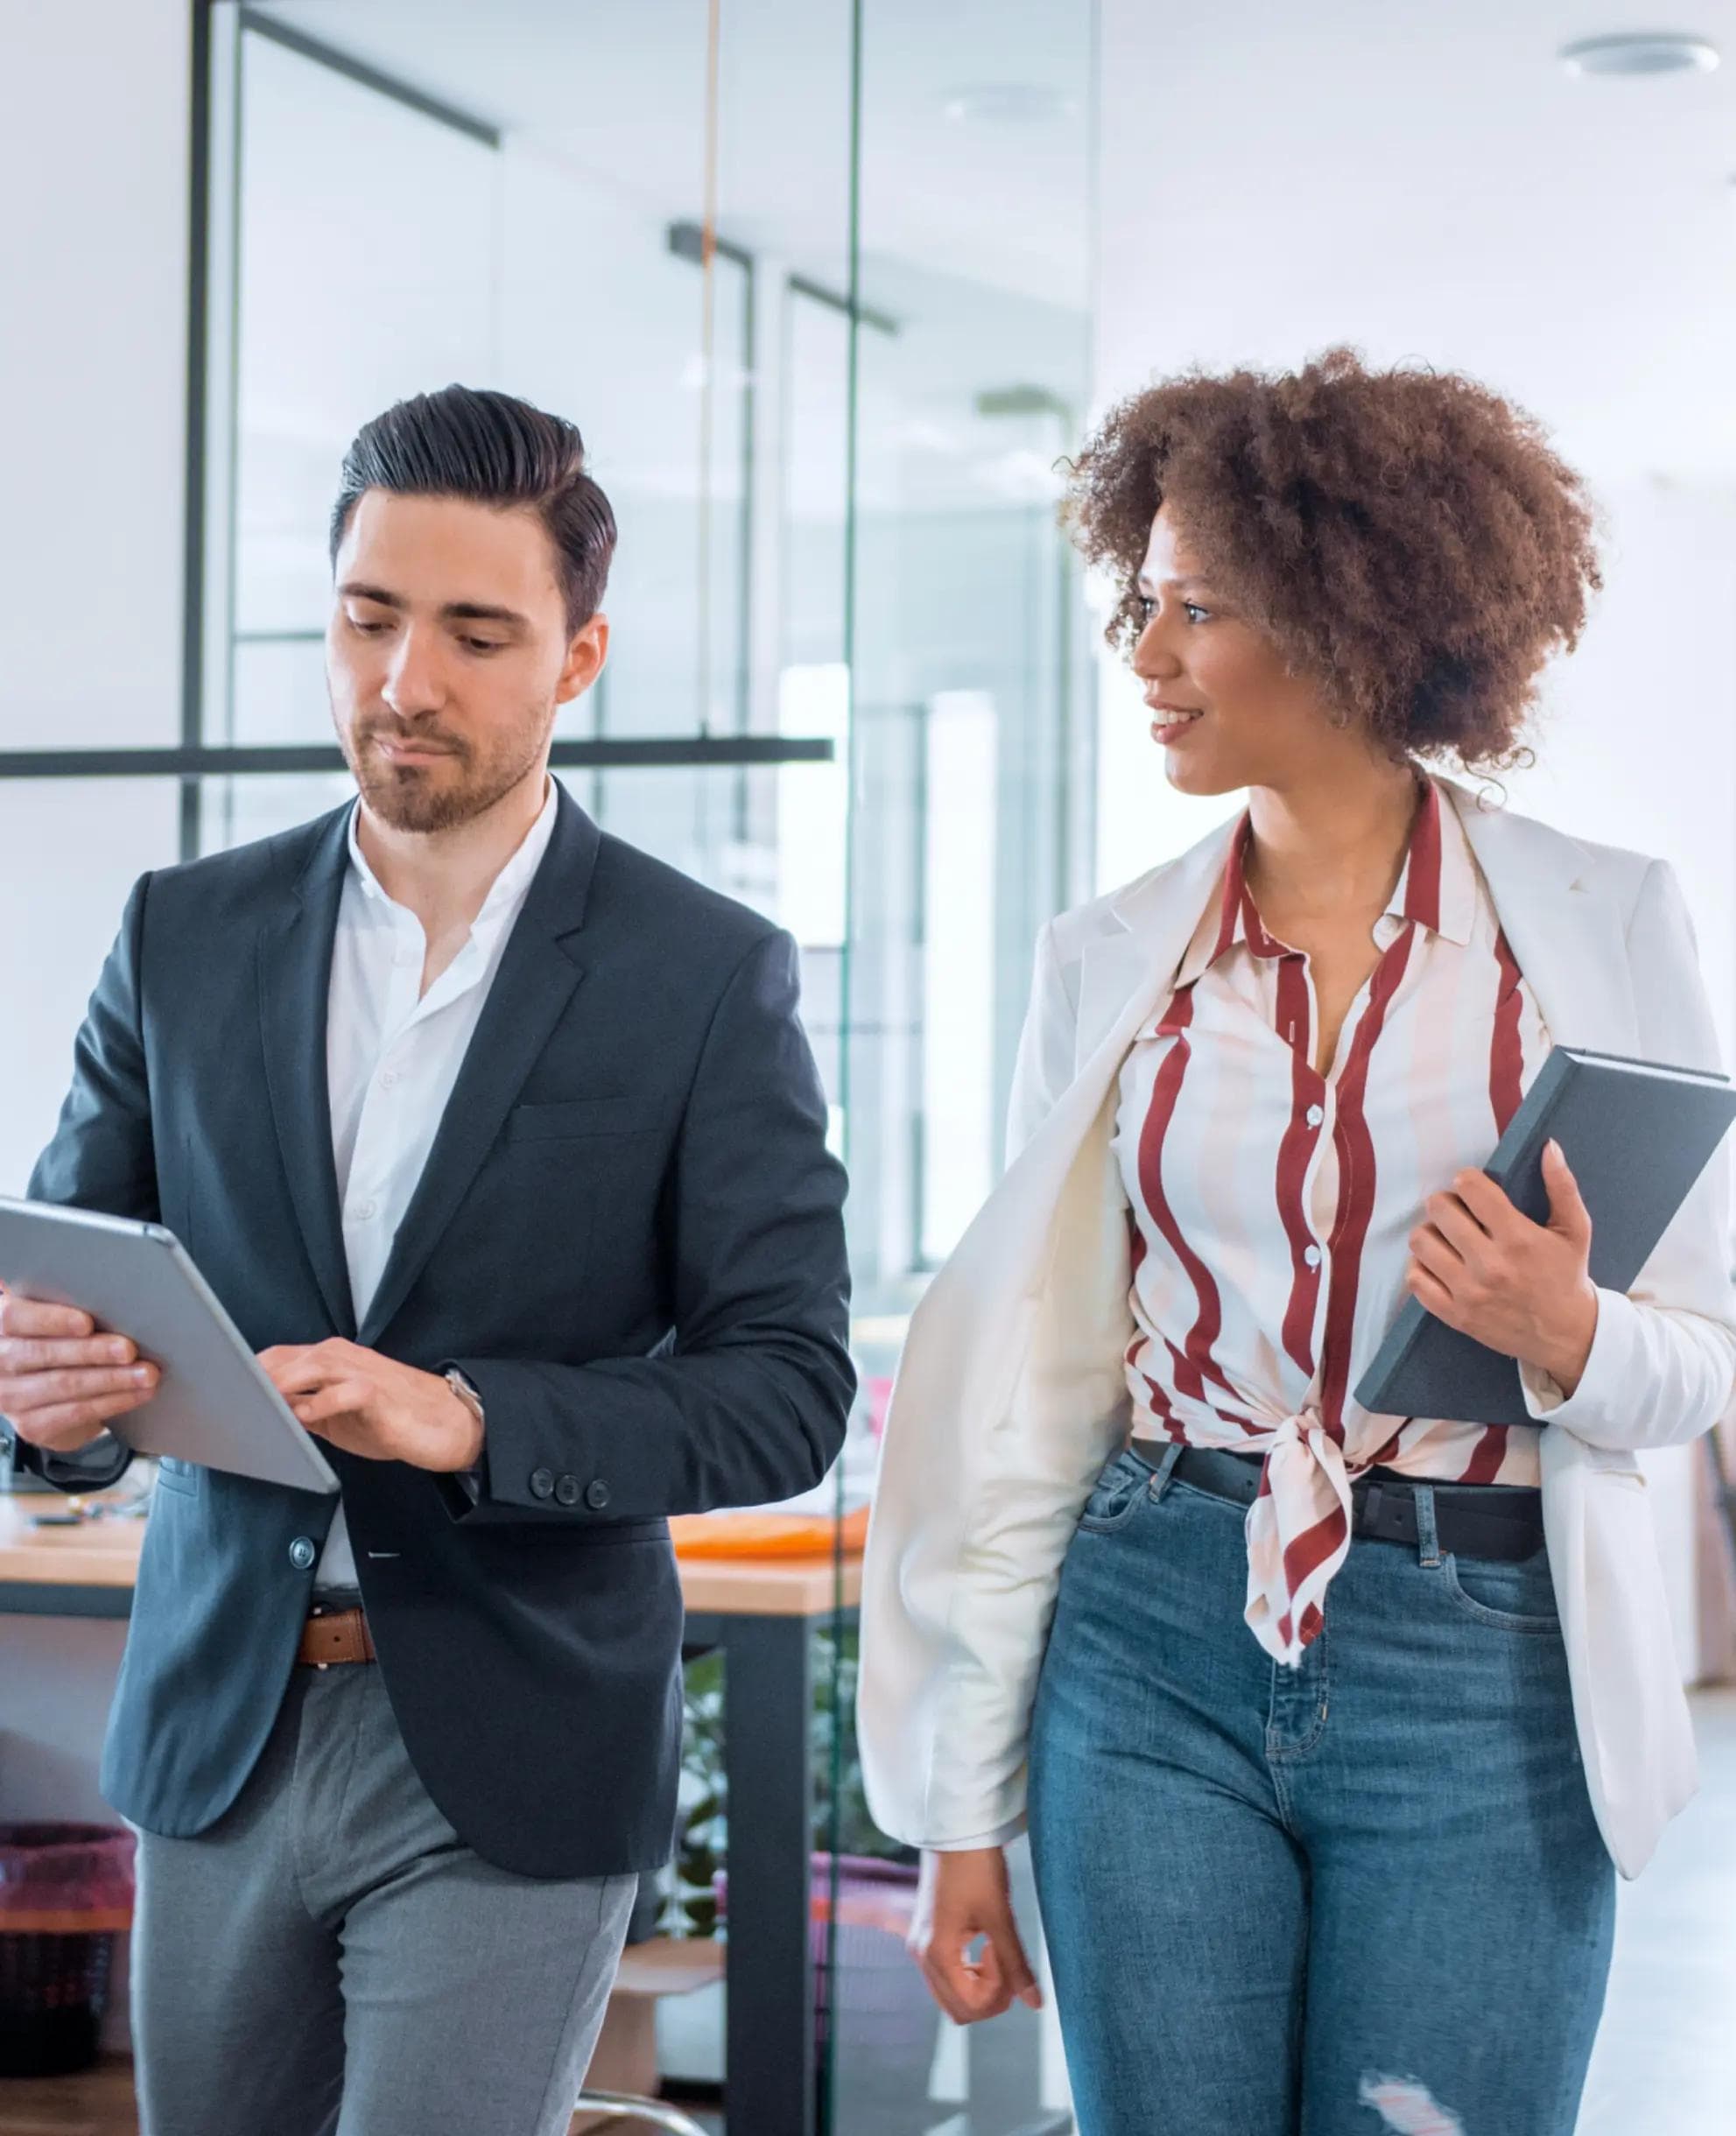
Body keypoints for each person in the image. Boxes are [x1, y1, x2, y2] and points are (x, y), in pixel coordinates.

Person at [858, 349, 1736, 2134]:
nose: (1144, 651)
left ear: (1353, 623)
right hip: (1153, 1617)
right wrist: (963, 1811)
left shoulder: (1594, 918)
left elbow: (1699, 1351)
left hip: (1479, 1652)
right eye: (1139, 596)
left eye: (1198, 606)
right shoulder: (1105, 960)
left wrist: (1566, 1330)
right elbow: (1039, 1403)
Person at [0, 385, 854, 2136]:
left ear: (578, 654)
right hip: (221, 1723)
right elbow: (66, 1316)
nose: (406, 681)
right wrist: (51, 1401)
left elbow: (786, 1389)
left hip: (510, 1739)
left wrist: (472, 1417)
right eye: (369, 618)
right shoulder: (182, 935)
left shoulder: (700, 975)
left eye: (477, 633)